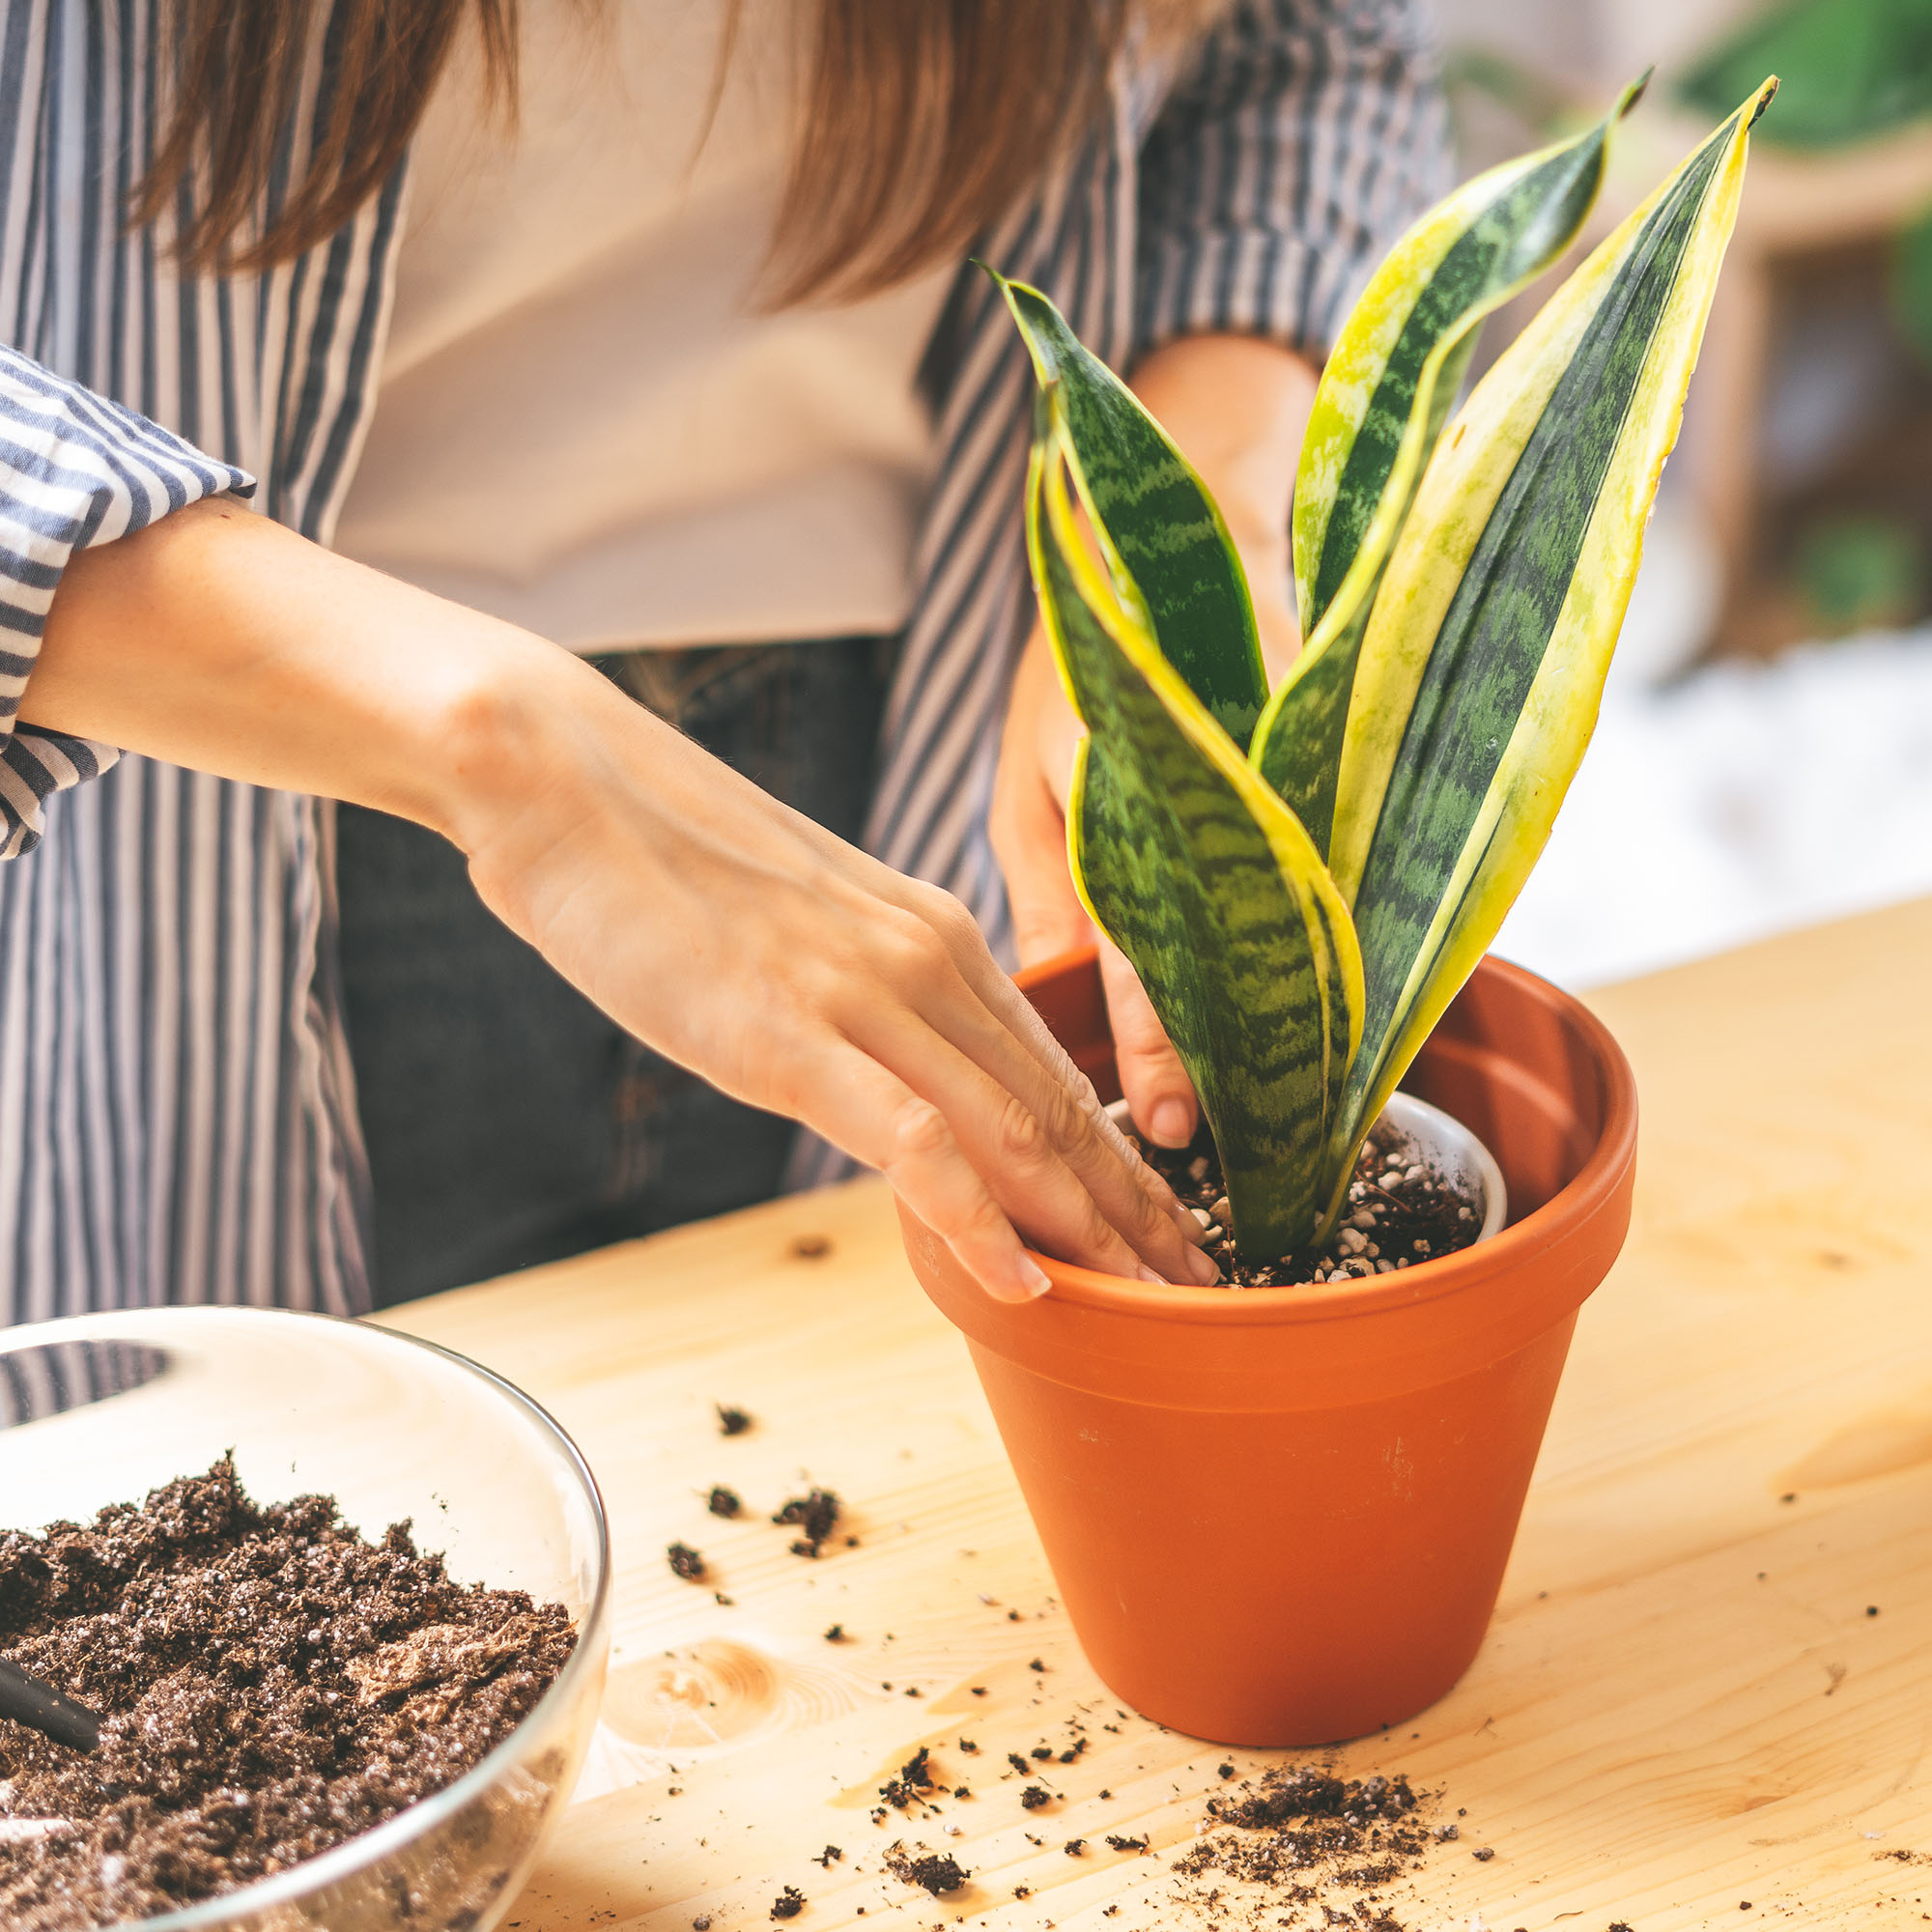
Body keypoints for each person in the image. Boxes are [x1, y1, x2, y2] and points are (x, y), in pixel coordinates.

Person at [0, 0, 1447, 1324]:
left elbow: (1296, 53)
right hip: (233, 772)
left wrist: (1183, 532)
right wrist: (513, 754)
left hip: (923, 755)